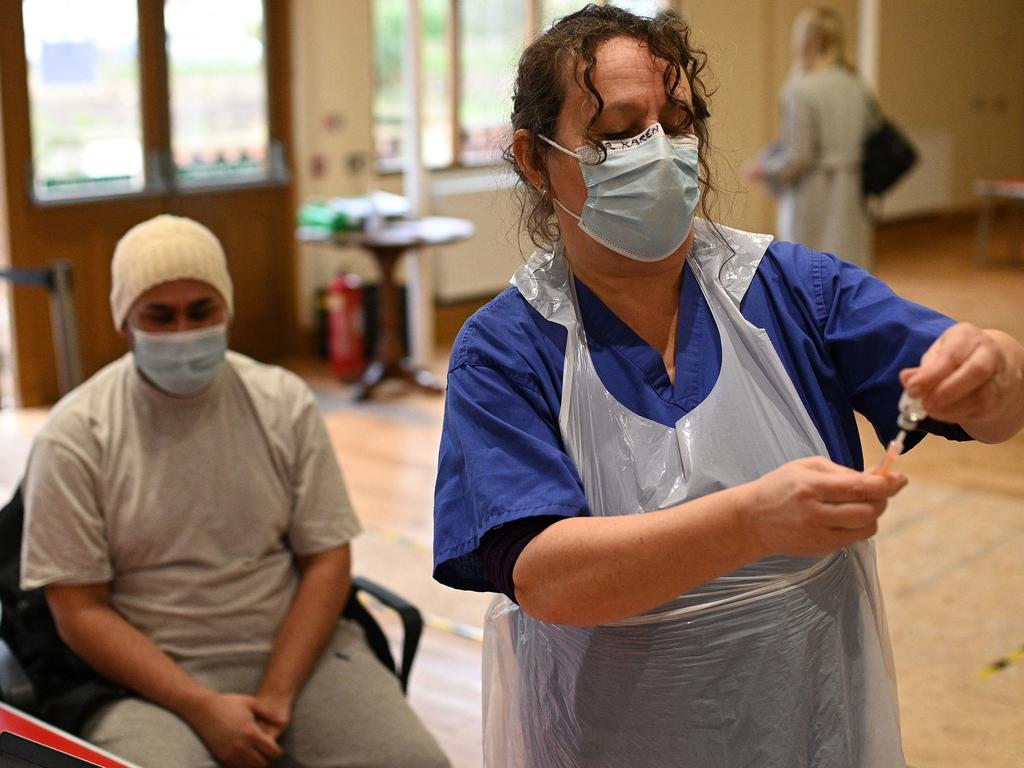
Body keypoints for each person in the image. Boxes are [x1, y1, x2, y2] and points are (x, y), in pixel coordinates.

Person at [432, 6, 1024, 767]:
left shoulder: (793, 291)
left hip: (811, 724)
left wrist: (997, 366)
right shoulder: (505, 349)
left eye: (678, 123)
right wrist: (751, 522)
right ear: (535, 158)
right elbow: (547, 577)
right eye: (619, 133)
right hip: (611, 738)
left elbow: (992, 410)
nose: (661, 153)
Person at [21, 215, 450, 768]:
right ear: (125, 323)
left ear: (226, 311)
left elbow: (325, 559)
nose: (183, 332)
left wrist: (276, 694)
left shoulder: (281, 403)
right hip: (143, 679)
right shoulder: (76, 435)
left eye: (201, 312)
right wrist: (199, 706)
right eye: (160, 315)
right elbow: (79, 609)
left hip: (295, 655)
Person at [747, 7, 878, 270]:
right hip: (853, 191)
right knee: (849, 269)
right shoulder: (858, 85)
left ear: (803, 41)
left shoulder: (802, 90)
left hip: (815, 195)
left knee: (811, 271)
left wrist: (765, 168)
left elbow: (800, 156)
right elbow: (871, 133)